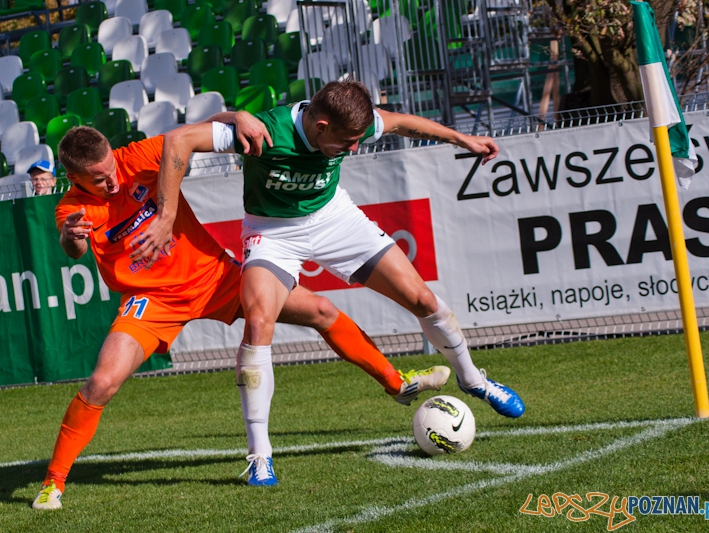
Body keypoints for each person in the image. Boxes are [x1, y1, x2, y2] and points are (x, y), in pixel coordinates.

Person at [32, 121, 449, 509]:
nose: (112, 180)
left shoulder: (136, 158)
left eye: (110, 169)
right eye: (99, 178)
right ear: (76, 178)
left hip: (217, 278)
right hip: (152, 301)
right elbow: (76, 249)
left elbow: (198, 133)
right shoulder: (73, 207)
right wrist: (71, 238)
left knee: (321, 309)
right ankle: (54, 481)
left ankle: (397, 383)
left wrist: (237, 115)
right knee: (102, 382)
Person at [138, 80, 526, 487]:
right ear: (320, 125)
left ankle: (474, 381)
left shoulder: (348, 123)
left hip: (334, 219)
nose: (354, 148)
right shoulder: (264, 131)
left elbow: (401, 124)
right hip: (273, 233)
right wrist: (166, 216)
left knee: (421, 297)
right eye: (348, 141)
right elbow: (179, 140)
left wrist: (461, 138)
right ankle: (260, 456)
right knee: (257, 324)